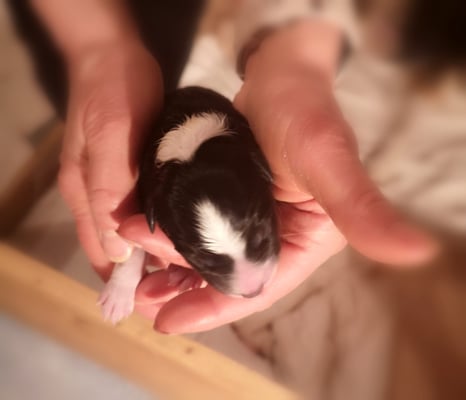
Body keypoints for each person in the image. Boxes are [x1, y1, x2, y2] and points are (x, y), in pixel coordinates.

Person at [10, 0, 436, 334]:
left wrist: (293, 61)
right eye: (214, 261)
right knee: (118, 60)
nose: (252, 285)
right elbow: (141, 220)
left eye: (257, 239)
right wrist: (95, 47)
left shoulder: (244, 162)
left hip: (192, 98)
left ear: (262, 174)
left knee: (165, 25)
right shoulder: (159, 198)